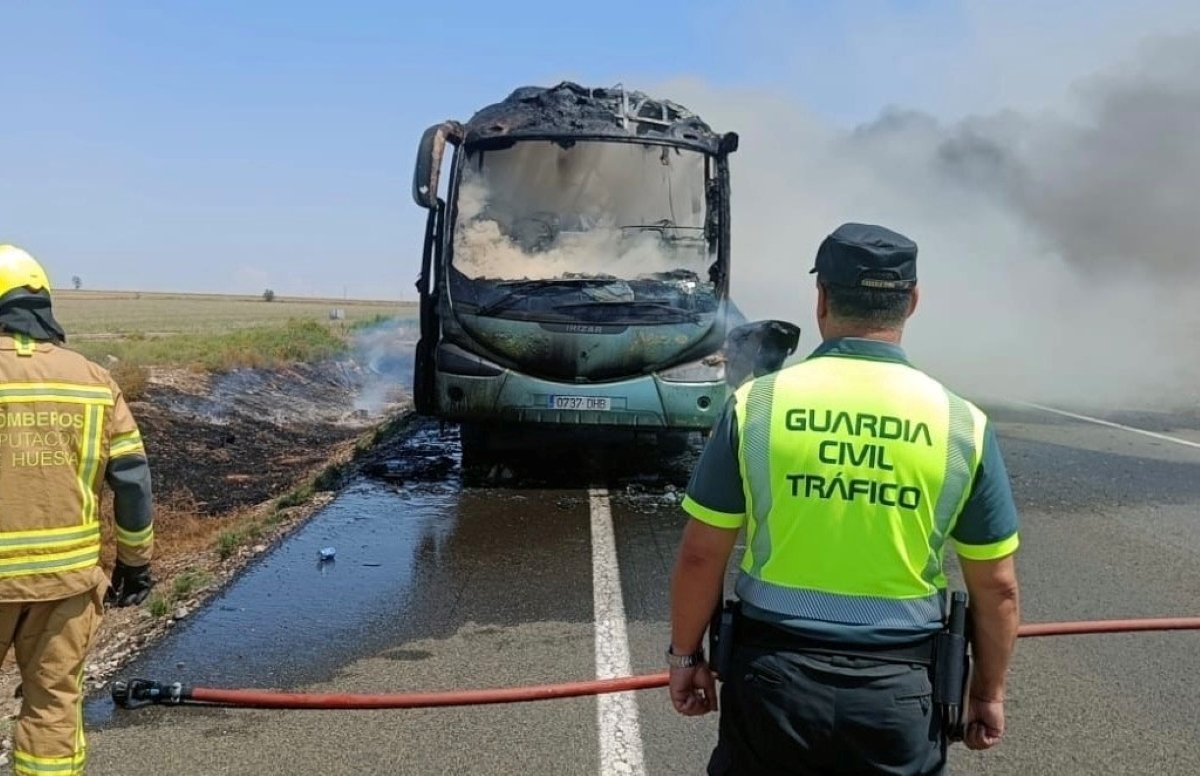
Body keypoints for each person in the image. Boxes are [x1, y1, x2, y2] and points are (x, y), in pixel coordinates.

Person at [666, 223, 1021, 775]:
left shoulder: (756, 406)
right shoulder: (962, 424)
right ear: (913, 301)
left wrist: (687, 656)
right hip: (900, 695)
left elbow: (699, 555)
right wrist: (987, 693)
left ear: (822, 298)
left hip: (773, 680)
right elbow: (997, 585)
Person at [0, 245, 155, 775]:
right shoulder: (93, 381)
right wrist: (135, 565)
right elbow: (133, 482)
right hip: (66, 586)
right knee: (52, 709)